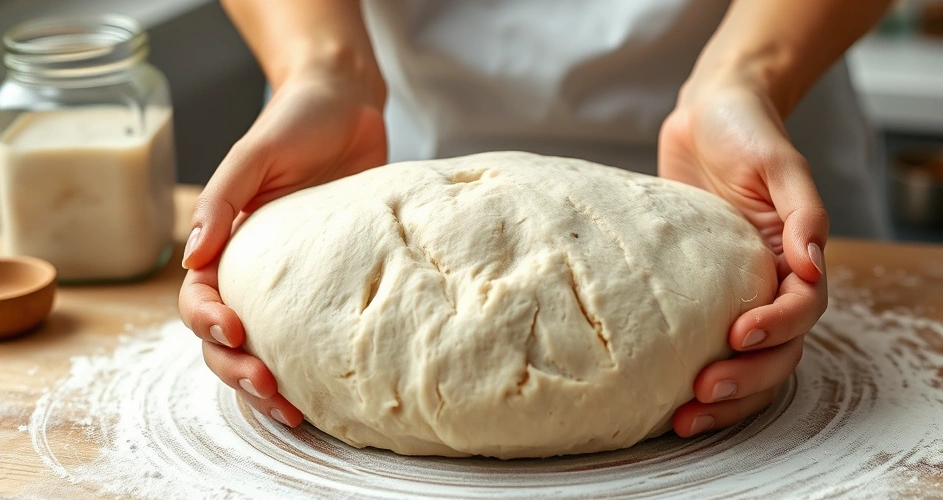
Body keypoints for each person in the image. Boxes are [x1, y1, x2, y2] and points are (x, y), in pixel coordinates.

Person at [179, 0, 893, 440]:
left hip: (726, 162)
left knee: (752, 303)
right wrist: (323, 68)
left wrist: (747, 76)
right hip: (369, 157)